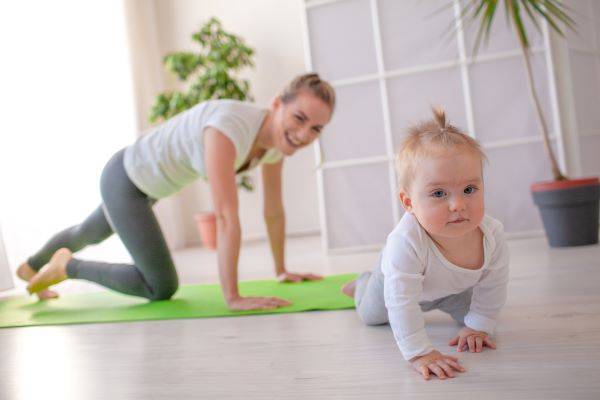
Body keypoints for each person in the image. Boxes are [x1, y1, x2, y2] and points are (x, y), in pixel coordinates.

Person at [20, 73, 335, 311]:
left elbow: (273, 211)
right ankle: (67, 267)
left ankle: (30, 267)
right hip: (126, 179)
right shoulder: (229, 127)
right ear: (277, 103)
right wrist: (233, 297)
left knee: (87, 232)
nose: (304, 134)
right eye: (299, 118)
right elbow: (226, 217)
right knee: (160, 285)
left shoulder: (274, 145)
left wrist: (281, 271)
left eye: (316, 129)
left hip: (146, 186)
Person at [342, 107, 509, 380]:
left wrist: (479, 326)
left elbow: (493, 285)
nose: (458, 205)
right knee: (371, 317)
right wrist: (420, 352)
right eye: (439, 193)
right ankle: (364, 282)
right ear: (409, 203)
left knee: (473, 317)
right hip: (394, 283)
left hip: (451, 290)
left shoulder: (493, 235)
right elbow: (401, 303)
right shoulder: (404, 243)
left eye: (469, 190)